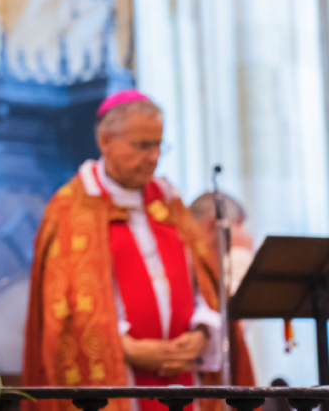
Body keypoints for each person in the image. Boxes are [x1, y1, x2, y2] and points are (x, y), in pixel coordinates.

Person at [23, 90, 252, 411]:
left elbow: (203, 285)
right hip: (120, 383)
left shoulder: (169, 201)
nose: (154, 157)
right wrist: (123, 348)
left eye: (159, 145)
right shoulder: (71, 208)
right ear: (105, 141)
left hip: (184, 377)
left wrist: (202, 332)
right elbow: (63, 309)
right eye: (143, 145)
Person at [189, 190, 257, 384]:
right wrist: (241, 256)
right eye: (238, 226)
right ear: (213, 224)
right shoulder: (190, 257)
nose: (245, 235)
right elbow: (236, 323)